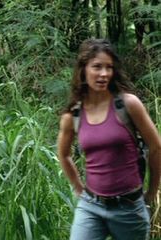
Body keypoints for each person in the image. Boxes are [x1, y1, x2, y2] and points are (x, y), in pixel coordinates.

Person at [57, 38, 161, 240]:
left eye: (109, 67)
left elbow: (156, 147)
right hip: (91, 206)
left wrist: (152, 191)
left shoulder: (128, 105)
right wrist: (78, 188)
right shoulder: (73, 115)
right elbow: (63, 154)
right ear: (83, 70)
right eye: (97, 67)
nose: (104, 73)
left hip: (129, 207)